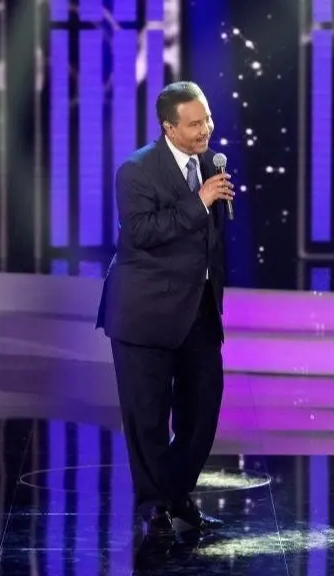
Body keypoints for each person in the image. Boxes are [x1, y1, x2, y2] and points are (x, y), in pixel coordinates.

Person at [96, 81, 233, 538]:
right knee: (148, 418)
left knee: (202, 412)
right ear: (169, 127)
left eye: (207, 119)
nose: (205, 130)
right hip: (145, 312)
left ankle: (174, 491)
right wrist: (199, 201)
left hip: (198, 311)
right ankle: (155, 506)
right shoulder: (136, 170)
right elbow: (141, 233)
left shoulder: (208, 166)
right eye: (194, 124)